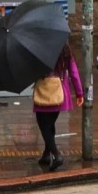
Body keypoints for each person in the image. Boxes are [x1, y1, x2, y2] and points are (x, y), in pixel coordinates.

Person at [33, 42, 84, 172]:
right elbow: (74, 72)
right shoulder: (65, 50)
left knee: (44, 125)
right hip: (60, 92)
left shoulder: (40, 49)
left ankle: (56, 155)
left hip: (44, 91)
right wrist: (79, 93)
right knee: (49, 124)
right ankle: (46, 154)